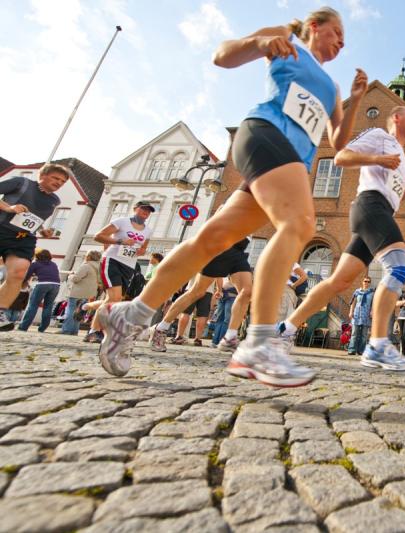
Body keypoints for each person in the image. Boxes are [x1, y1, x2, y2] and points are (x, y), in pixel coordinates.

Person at [95, 7, 368, 386]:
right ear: (313, 27)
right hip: (266, 135)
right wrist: (258, 42)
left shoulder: (332, 88)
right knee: (300, 223)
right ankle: (257, 343)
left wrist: (354, 100)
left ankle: (132, 314)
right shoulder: (287, 41)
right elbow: (222, 55)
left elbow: (338, 142)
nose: (341, 42)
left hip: (289, 160)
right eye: (336, 32)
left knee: (211, 240)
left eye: (345, 39)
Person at [274, 105, 405, 373]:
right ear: (396, 118)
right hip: (369, 206)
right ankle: (377, 345)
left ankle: (285, 329)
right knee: (400, 268)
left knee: (339, 281)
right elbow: (341, 157)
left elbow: (394, 198)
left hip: (380, 211)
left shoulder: (402, 158)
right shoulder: (380, 136)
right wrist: (378, 160)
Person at [150, 235, 253, 353]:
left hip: (239, 251)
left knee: (247, 292)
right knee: (197, 292)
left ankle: (230, 337)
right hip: (220, 246)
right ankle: (161, 328)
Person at [0, 164, 68, 331]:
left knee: (20, 271)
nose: (59, 182)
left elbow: (34, 219)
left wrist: (43, 230)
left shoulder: (54, 201)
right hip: (2, 228)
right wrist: (9, 208)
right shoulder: (21, 183)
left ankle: (0, 311)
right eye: (55, 178)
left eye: (63, 181)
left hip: (23, 238)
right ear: (42, 175)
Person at [85, 201, 154, 343]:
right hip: (112, 260)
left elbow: (143, 248)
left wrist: (142, 251)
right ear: (135, 209)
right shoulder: (121, 222)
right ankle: (94, 332)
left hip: (129, 265)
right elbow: (98, 236)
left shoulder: (147, 230)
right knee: (114, 299)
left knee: (114, 300)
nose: (145, 213)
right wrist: (120, 241)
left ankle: (85, 307)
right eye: (143, 209)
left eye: (148, 211)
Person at [17, 248, 61, 332]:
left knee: (33, 305)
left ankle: (23, 327)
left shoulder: (35, 264)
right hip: (56, 285)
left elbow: (27, 275)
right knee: (48, 306)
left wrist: (21, 284)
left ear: (37, 256)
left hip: (42, 284)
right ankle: (42, 328)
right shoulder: (54, 264)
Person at [60, 251, 102, 335]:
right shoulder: (99, 267)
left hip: (78, 292)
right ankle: (74, 330)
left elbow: (76, 279)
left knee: (71, 311)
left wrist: (70, 276)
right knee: (80, 312)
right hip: (90, 293)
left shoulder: (86, 265)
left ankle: (67, 330)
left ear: (89, 257)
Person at [170, 277, 219, 347]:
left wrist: (180, 284)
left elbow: (187, 273)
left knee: (185, 313)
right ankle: (197, 339)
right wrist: (219, 289)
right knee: (202, 316)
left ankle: (179, 337)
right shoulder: (215, 265)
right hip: (207, 291)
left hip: (191, 288)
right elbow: (219, 277)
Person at [347, 276, 374, 355]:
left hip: (366, 315)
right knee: (354, 333)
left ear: (370, 283)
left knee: (364, 335)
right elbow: (353, 302)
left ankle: (361, 351)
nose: (366, 283)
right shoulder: (357, 291)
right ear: (362, 282)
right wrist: (351, 312)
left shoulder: (372, 292)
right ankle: (352, 350)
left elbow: (373, 303)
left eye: (368, 282)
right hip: (357, 314)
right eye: (365, 281)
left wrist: (372, 311)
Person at [211, 277, 238, 348]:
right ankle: (221, 341)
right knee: (227, 320)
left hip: (222, 293)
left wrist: (219, 290)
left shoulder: (222, 267)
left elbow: (218, 277)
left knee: (220, 319)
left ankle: (215, 341)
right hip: (231, 294)